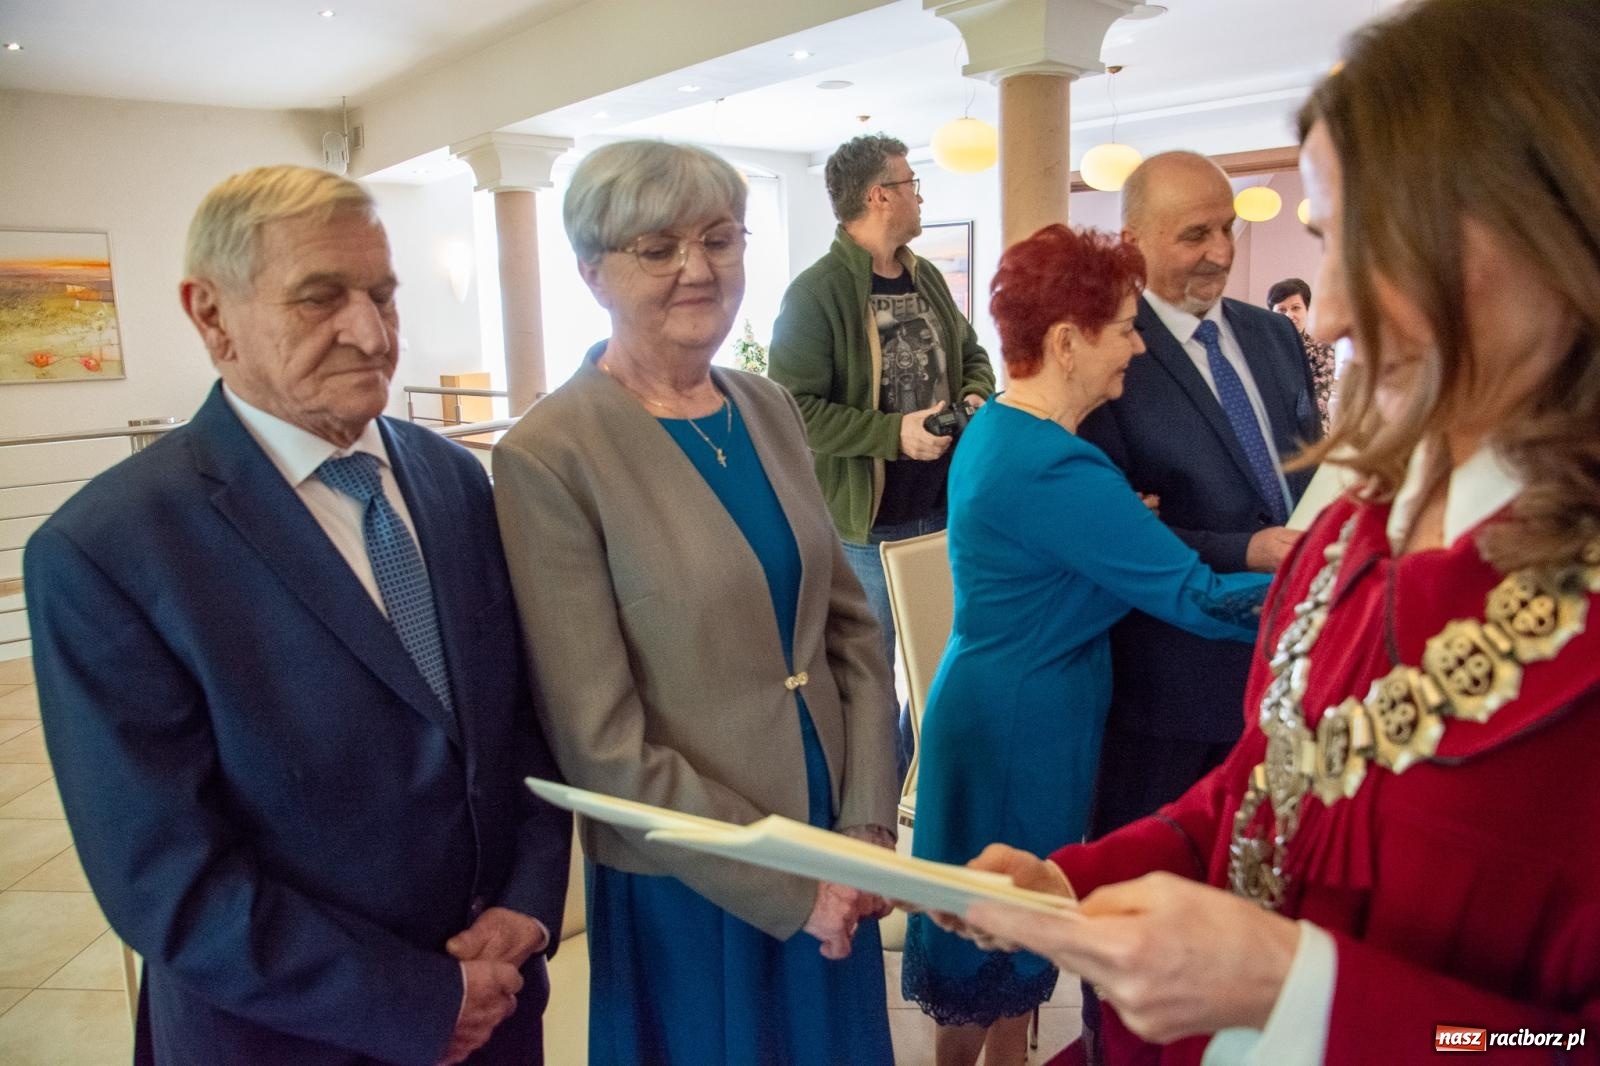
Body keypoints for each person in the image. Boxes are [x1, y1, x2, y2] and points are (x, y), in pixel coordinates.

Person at [943, 1, 1600, 1062]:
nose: (1329, 314)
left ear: (1542, 234)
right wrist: (1080, 876)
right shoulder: (1346, 531)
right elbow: (1263, 781)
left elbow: (1552, 1044)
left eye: (1369, 243)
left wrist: (1303, 991)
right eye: (1330, 242)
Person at [23, 165, 571, 1066]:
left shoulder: (456, 480)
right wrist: (421, 1002)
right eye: (320, 299)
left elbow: (519, 728)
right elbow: (166, 878)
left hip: (500, 1012)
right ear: (211, 316)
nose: (370, 331)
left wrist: (526, 908)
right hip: (286, 1038)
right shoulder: (106, 551)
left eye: (382, 296)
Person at [491, 140, 900, 1066]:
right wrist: (792, 888)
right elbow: (599, 743)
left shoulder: (766, 407)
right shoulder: (550, 454)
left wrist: (870, 820)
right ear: (593, 272)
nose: (698, 269)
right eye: (658, 247)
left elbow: (850, 632)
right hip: (698, 878)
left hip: (834, 841)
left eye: (720, 239)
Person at [900, 225, 1272, 1066]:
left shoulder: (1004, 431)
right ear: (1067, 341)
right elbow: (1200, 598)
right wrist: (1327, 580)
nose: (1139, 348)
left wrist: (1118, 525)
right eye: (1128, 327)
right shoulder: (1054, 468)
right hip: (1022, 725)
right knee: (992, 940)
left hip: (1005, 700)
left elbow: (1065, 555)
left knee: (1000, 941)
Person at [1078, 150, 1321, 851]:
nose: (1221, 252)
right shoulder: (1109, 354)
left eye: (1229, 227)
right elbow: (1112, 534)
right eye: (1195, 235)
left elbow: (1305, 464)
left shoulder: (1274, 334)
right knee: (1146, 894)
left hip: (1287, 663)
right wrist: (1245, 549)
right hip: (1168, 686)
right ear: (1133, 244)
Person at [770, 133, 995, 775]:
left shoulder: (925, 277)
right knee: (870, 680)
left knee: (941, 663)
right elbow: (796, 411)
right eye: (911, 184)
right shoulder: (816, 294)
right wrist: (893, 435)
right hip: (866, 528)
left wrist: (975, 395)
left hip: (944, 511)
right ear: (879, 195)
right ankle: (877, 818)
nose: (920, 196)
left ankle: (926, 788)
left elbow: (971, 353)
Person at [1267, 277, 1337, 431]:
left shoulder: (1321, 347)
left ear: (1307, 310)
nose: (1289, 315)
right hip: (1272, 430)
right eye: (1281, 310)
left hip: (1310, 431)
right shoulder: (1262, 347)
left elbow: (1318, 397)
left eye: (1296, 308)